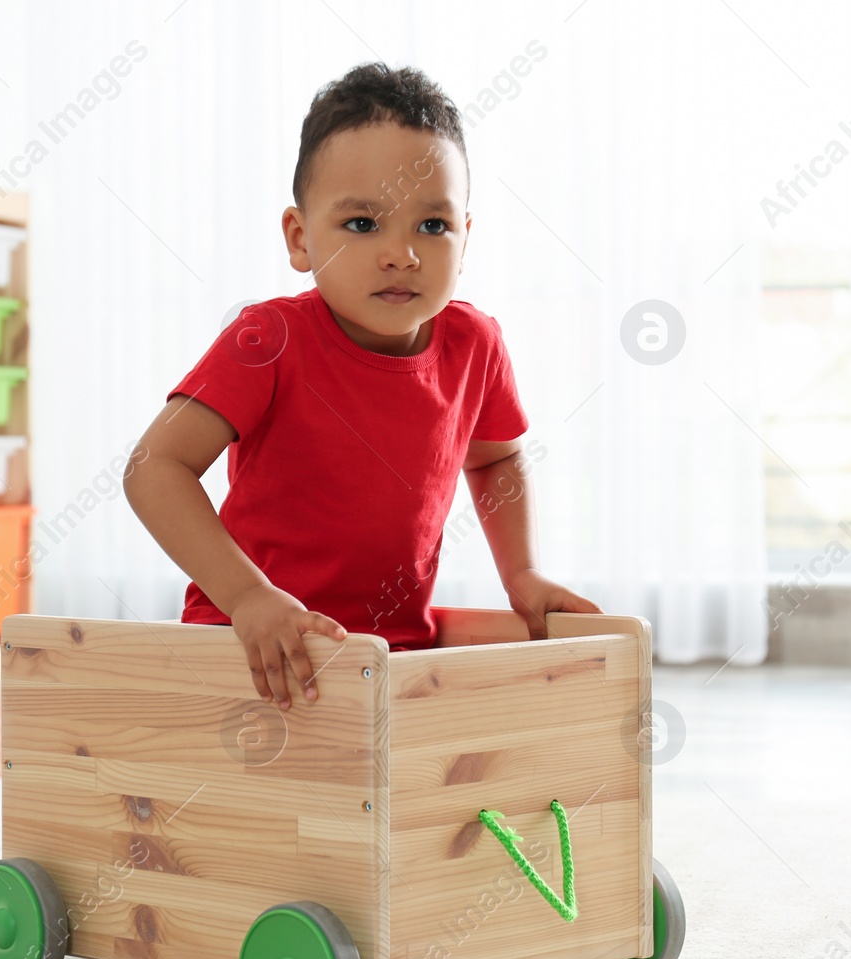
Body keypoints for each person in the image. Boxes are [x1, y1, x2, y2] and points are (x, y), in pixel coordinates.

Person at [125, 62, 598, 713]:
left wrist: (522, 575)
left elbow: (497, 458)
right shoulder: (269, 339)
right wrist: (247, 596)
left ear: (466, 238)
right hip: (249, 648)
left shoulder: (475, 344)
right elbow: (154, 468)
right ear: (300, 238)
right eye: (362, 224)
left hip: (391, 652)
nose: (401, 253)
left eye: (432, 226)